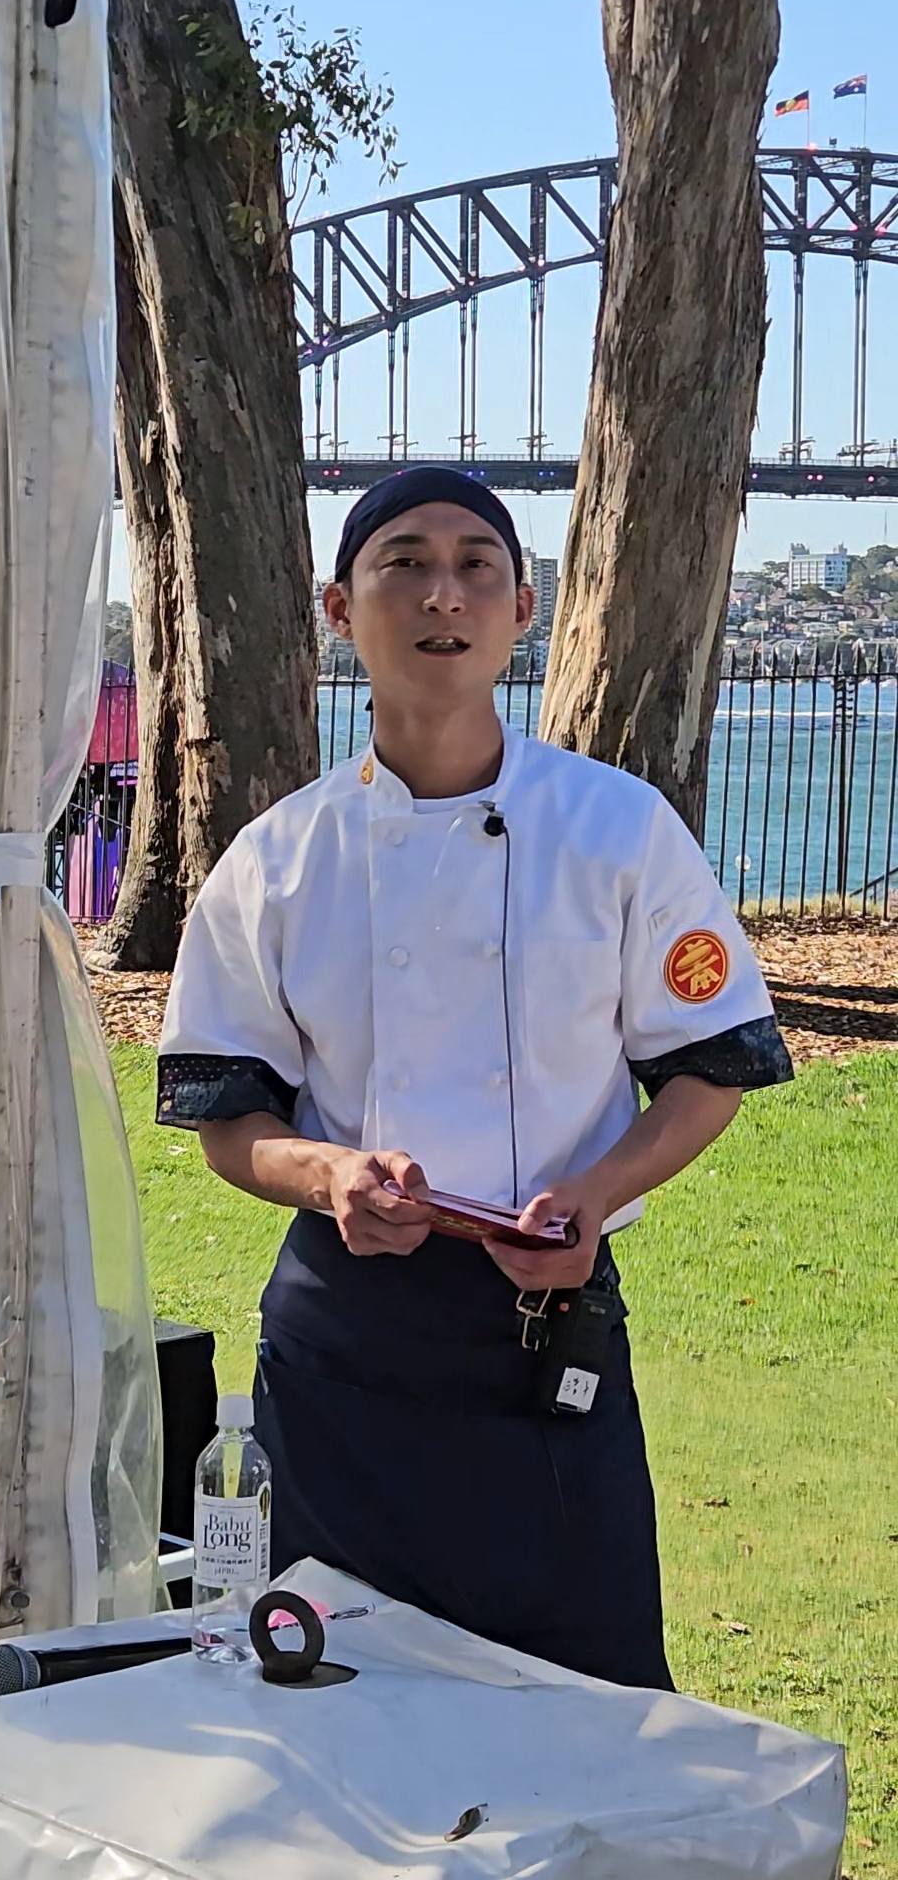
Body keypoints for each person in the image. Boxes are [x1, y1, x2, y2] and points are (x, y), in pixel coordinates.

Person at [157, 465, 792, 1689]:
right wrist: (330, 1174)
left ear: (521, 611)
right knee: (331, 1695)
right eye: (403, 563)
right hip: (346, 1337)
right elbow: (228, 1117)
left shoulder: (618, 829)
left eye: (475, 567)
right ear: (339, 610)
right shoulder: (277, 858)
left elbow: (709, 1068)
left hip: (545, 1319)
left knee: (586, 1698)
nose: (440, 595)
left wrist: (595, 1196)